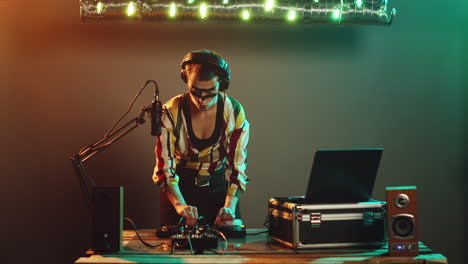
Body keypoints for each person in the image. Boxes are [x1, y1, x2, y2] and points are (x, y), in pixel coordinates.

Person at [152, 49, 249, 227]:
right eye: (195, 92)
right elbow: (165, 166)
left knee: (229, 248)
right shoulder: (170, 111)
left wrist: (229, 207)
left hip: (221, 191)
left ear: (222, 85)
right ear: (186, 81)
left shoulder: (234, 112)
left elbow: (237, 167)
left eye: (210, 92)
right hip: (179, 189)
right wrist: (179, 205)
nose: (202, 99)